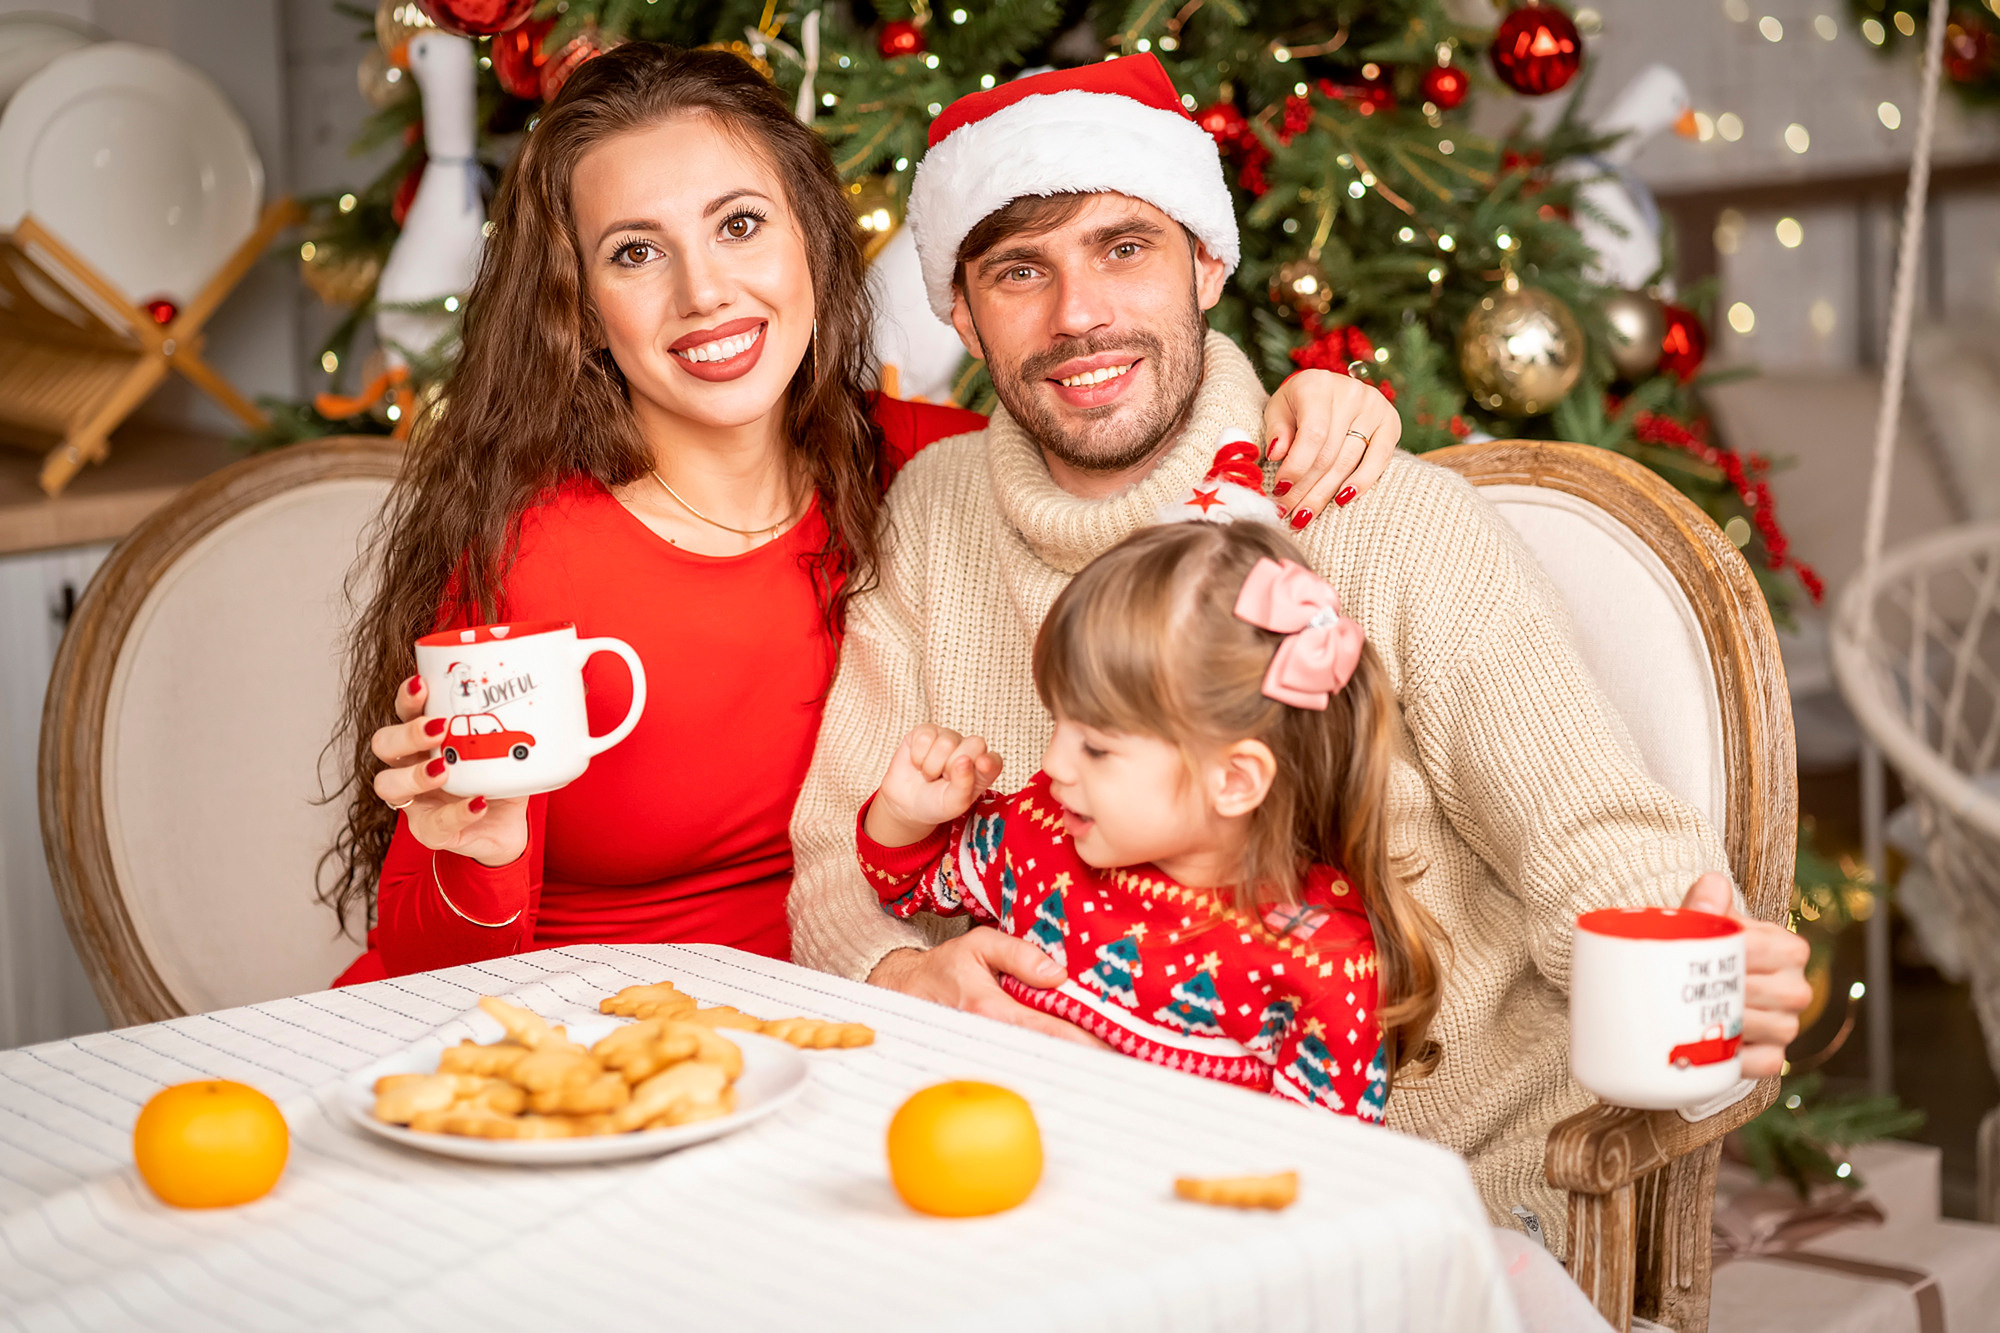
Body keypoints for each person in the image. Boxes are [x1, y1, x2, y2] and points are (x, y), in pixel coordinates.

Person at [786, 53, 1812, 1253]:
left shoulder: (1373, 511)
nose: (1076, 316)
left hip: (1408, 1193)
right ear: (960, 312)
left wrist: (1697, 970)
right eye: (1020, 270)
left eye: (1123, 247)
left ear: (1206, 265)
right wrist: (897, 978)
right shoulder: (932, 512)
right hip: (1048, 1182)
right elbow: (833, 853)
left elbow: (1593, 837)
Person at [324, 44, 1390, 982]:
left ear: (811, 245)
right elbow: (425, 970)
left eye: (739, 225)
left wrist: (1294, 399)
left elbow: (1127, 449)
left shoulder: (924, 470)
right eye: (635, 252)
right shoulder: (532, 547)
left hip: (829, 1045)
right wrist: (474, 847)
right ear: (579, 307)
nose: (703, 293)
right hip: (565, 1042)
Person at [856, 512, 1446, 1121]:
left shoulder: (1324, 961)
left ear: (1234, 781)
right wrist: (905, 816)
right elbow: (905, 884)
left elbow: (1321, 1178)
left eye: (1097, 746)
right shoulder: (1041, 831)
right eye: (1059, 721)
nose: (1053, 761)